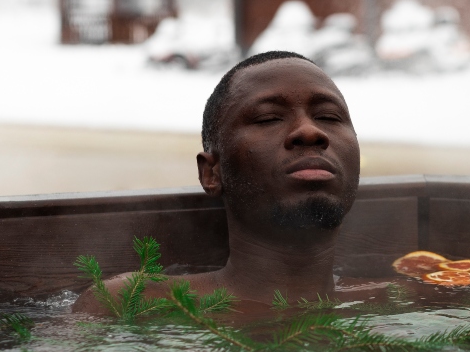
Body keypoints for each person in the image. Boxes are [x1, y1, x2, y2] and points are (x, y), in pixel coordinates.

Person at [74, 50, 364, 314]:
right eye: (268, 118)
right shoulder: (129, 304)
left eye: (329, 116)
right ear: (212, 173)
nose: (310, 131)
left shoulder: (401, 298)